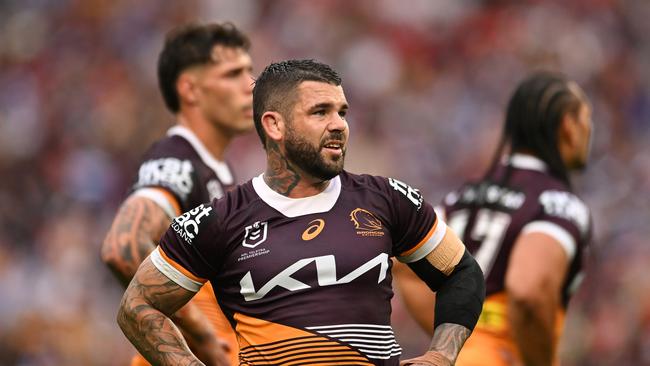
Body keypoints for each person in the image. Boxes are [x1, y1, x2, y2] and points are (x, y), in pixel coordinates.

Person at [115, 59, 485, 366]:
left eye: (342, 112)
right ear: (274, 125)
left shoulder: (387, 199)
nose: (339, 124)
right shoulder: (220, 220)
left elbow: (461, 272)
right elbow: (137, 305)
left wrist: (442, 354)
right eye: (320, 112)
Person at [394, 72, 593, 366]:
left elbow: (404, 265)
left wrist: (457, 342)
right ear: (568, 125)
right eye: (587, 118)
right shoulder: (559, 203)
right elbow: (528, 291)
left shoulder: (462, 197)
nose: (590, 129)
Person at [101, 22, 254, 366]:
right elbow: (122, 247)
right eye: (232, 74)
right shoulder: (177, 161)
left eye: (249, 71)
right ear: (190, 90)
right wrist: (204, 337)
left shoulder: (215, 171)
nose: (250, 85)